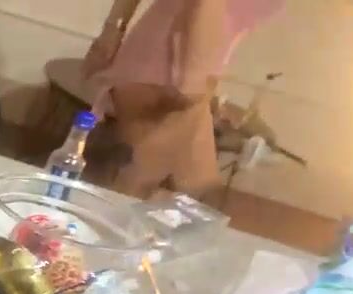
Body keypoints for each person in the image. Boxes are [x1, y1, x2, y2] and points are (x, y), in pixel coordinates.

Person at [83, 0, 285, 198]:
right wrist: (193, 83)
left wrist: (112, 30)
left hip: (173, 68)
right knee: (159, 183)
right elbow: (203, 7)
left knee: (185, 188)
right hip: (170, 72)